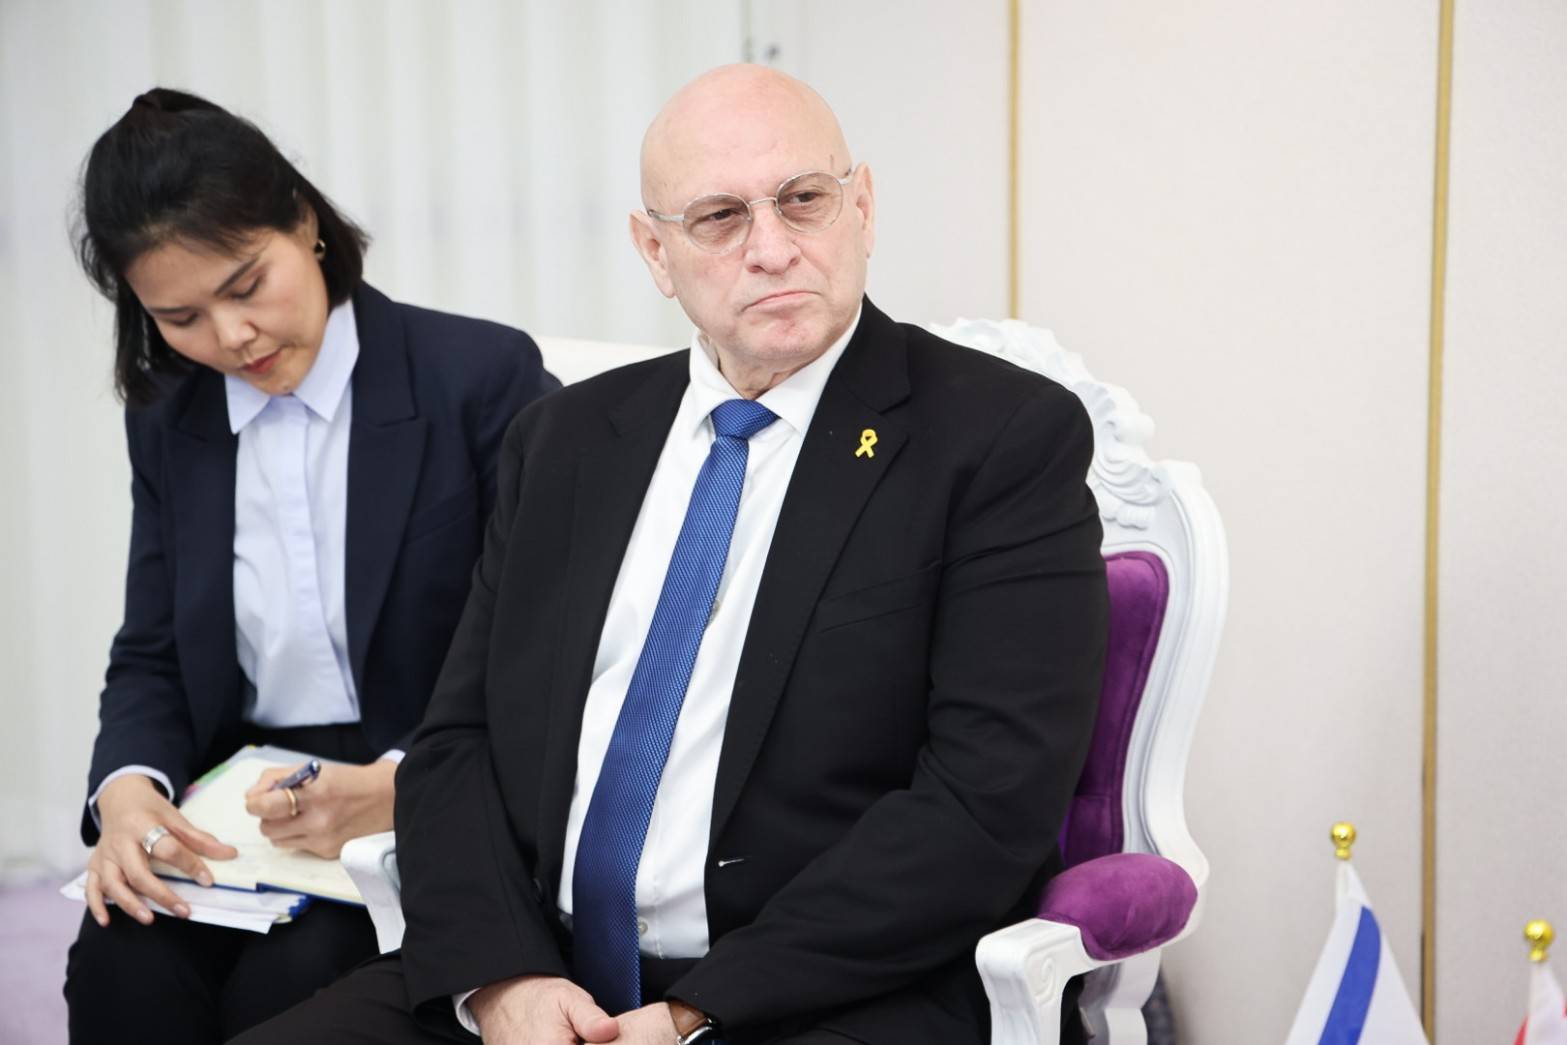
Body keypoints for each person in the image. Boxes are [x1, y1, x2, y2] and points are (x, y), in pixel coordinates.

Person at [238, 64, 1106, 1045]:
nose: (771, 248)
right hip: (539, 973)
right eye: (719, 218)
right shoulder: (562, 440)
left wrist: (698, 1009)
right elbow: (458, 743)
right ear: (655, 250)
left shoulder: (997, 439)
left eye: (803, 200)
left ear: (861, 207)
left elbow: (985, 803)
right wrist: (503, 977)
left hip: (822, 993)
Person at [62, 88, 558, 1044]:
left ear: (305, 222)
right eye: (180, 316)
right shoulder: (169, 418)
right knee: (121, 965)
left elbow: (551, 642)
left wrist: (404, 783)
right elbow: (154, 649)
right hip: (244, 803)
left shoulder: (477, 377)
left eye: (247, 286)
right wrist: (125, 789)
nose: (230, 338)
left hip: (425, 777)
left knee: (292, 989)